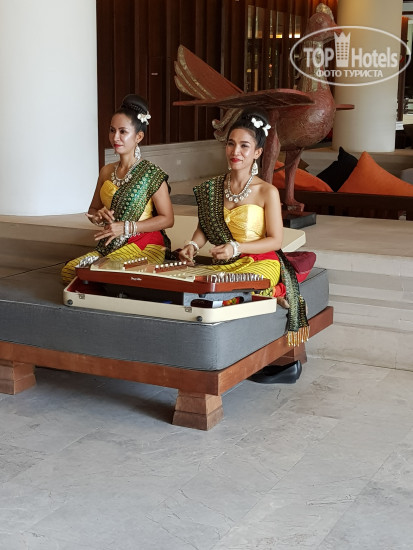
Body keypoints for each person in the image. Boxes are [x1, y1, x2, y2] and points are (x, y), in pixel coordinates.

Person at [179, 108, 309, 347]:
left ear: (258, 152)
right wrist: (192, 246)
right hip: (226, 264)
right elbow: (204, 228)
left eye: (244, 146)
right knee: (198, 288)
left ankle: (273, 293)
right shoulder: (213, 187)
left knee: (232, 290)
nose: (235, 151)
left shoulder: (267, 191)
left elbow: (276, 241)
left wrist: (236, 248)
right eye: (230, 144)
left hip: (261, 262)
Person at [61, 94, 174, 284]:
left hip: (146, 243)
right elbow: (93, 210)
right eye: (112, 130)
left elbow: (168, 219)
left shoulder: (151, 173)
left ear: (138, 136)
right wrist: (98, 217)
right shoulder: (106, 171)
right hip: (111, 243)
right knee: (70, 272)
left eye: (123, 132)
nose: (115, 137)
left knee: (109, 273)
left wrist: (127, 227)